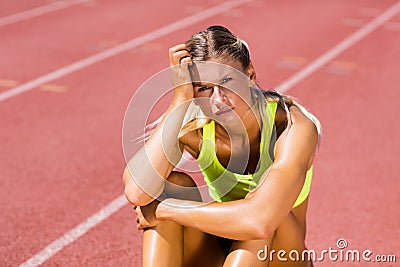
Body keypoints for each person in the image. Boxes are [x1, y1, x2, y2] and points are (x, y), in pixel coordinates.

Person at [123, 25, 321, 267]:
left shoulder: (292, 127)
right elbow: (136, 192)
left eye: (227, 80)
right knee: (172, 185)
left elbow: (260, 222)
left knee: (265, 208)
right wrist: (181, 99)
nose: (218, 99)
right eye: (204, 88)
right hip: (221, 250)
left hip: (281, 258)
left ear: (249, 75)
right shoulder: (196, 127)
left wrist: (166, 210)